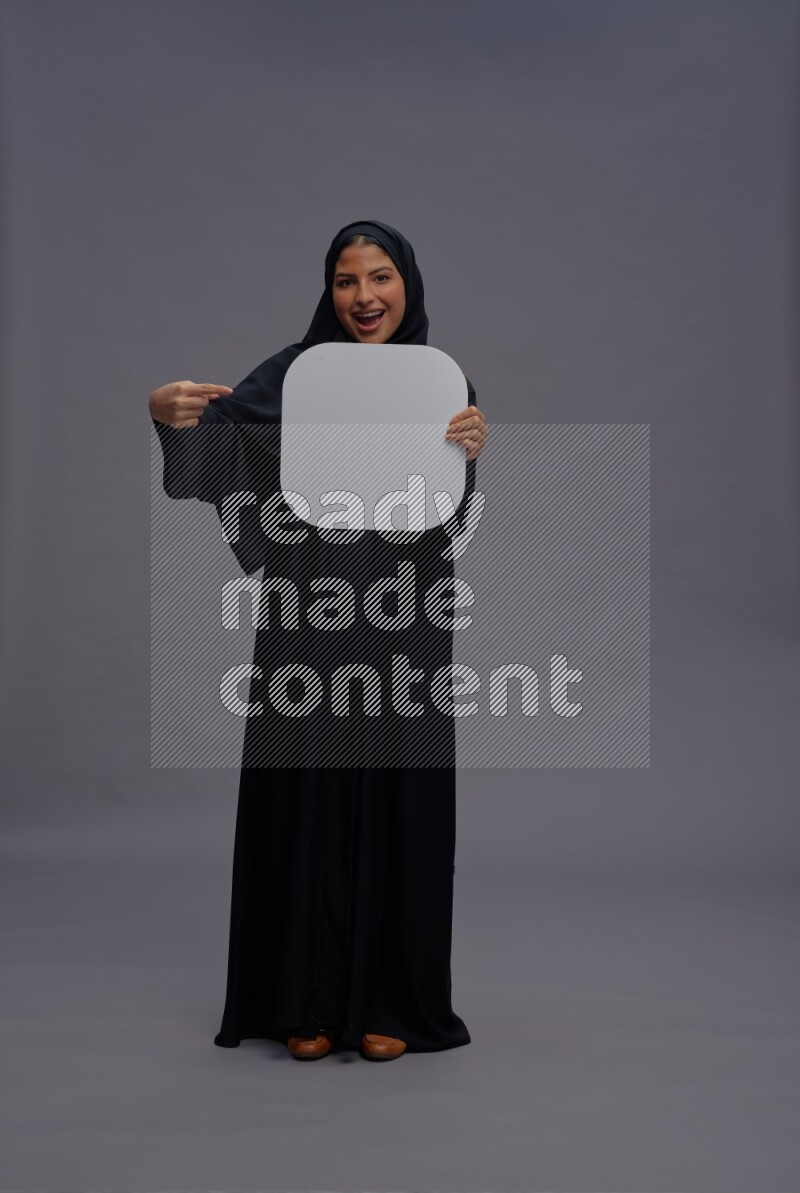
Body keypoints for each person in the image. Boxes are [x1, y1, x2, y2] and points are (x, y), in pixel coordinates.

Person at [150, 220, 488, 1061]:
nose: (364, 296)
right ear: (327, 290)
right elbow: (212, 458)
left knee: (396, 788)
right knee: (308, 780)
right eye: (346, 280)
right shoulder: (296, 376)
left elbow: (449, 511)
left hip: (405, 611)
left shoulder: (442, 380)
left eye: (380, 277)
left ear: (407, 284)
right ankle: (304, 999)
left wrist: (470, 452)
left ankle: (388, 1005)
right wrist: (168, 419)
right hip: (311, 606)